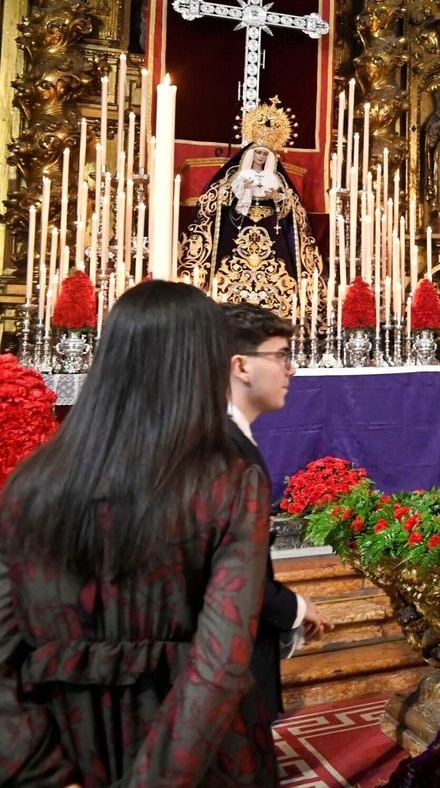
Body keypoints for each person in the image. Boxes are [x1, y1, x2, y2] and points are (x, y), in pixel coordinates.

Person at [0, 281, 276, 785]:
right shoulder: (230, 485)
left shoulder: (27, 484)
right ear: (202, 368)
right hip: (194, 752)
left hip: (66, 737)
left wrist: (41, 772)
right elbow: (220, 659)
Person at [220, 303, 331, 715]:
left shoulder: (229, 436)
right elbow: (231, 570)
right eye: (281, 355)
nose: (292, 369)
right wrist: (294, 609)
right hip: (227, 657)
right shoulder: (226, 448)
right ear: (241, 366)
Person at [179, 102, 321, 320]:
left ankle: (281, 305)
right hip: (239, 223)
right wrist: (238, 192)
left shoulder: (276, 178)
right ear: (251, 153)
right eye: (259, 153)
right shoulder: (237, 174)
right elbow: (218, 198)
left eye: (265, 154)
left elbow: (290, 209)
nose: (261, 157)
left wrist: (277, 198)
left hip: (271, 228)